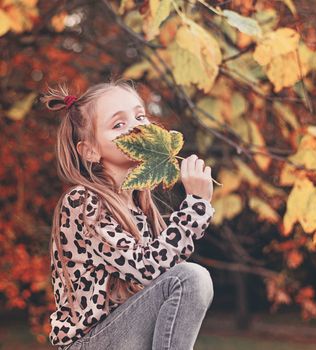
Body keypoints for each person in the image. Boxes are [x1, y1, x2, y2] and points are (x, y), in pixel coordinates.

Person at [40, 77, 216, 350]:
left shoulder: (139, 208)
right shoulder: (82, 201)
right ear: (90, 151)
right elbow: (147, 268)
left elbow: (161, 283)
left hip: (123, 333)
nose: (137, 128)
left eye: (141, 116)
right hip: (90, 343)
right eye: (119, 124)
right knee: (190, 278)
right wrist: (195, 206)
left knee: (188, 279)